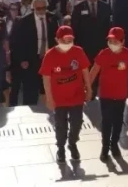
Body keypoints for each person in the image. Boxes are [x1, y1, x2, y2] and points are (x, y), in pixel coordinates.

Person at [39, 26, 92, 163]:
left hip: (77, 96)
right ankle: (61, 148)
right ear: (57, 40)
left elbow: (85, 69)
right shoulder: (50, 55)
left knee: (77, 123)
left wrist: (89, 88)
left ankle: (72, 143)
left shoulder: (78, 51)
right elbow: (46, 77)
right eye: (64, 40)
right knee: (60, 125)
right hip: (59, 99)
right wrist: (49, 98)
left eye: (70, 40)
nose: (68, 43)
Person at [90, 27, 128, 161]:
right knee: (106, 121)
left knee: (118, 121)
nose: (112, 43)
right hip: (105, 93)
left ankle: (114, 145)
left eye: (115, 40)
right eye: (110, 40)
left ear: (123, 41)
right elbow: (94, 70)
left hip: (120, 94)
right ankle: (105, 147)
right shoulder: (104, 54)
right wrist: (87, 87)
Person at [9, 0, 56, 106]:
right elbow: (16, 43)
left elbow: (55, 38)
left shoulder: (52, 18)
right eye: (38, 9)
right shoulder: (24, 22)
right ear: (33, 8)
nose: (41, 11)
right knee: (30, 92)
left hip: (48, 59)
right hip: (31, 60)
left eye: (43, 8)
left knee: (47, 88)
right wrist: (22, 59)